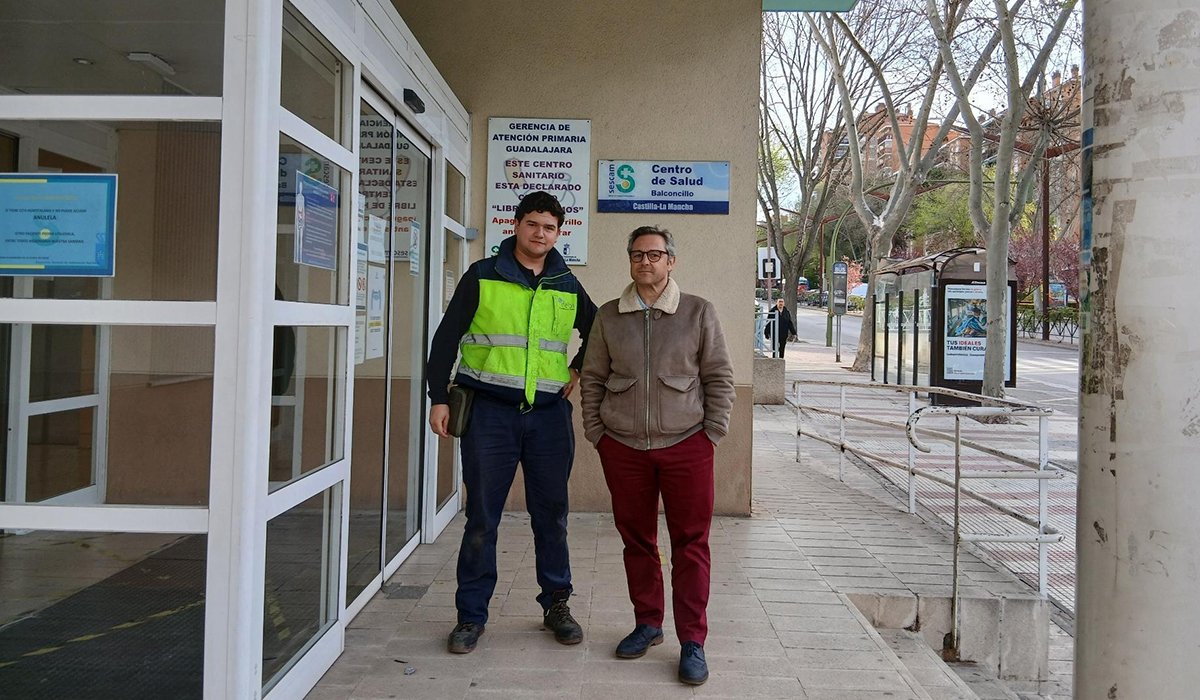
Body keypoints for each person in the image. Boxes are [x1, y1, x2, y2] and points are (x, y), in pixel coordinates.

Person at [427, 190, 597, 654]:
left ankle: (556, 604)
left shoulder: (566, 282)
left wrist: (577, 369)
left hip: (548, 419)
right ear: (516, 225)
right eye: (532, 224)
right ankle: (471, 616)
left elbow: (599, 329)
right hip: (489, 415)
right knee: (482, 518)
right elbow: (445, 339)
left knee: (552, 516)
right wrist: (438, 398)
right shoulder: (482, 275)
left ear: (558, 233)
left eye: (549, 227)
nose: (540, 234)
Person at [579, 226, 735, 686]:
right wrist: (598, 433)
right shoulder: (609, 315)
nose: (645, 261)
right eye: (637, 254)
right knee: (637, 539)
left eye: (654, 254)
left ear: (671, 261)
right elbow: (592, 377)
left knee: (691, 543)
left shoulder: (698, 311)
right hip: (623, 447)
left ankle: (693, 641)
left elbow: (719, 376)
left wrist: (711, 434)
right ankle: (648, 623)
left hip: (687, 444)